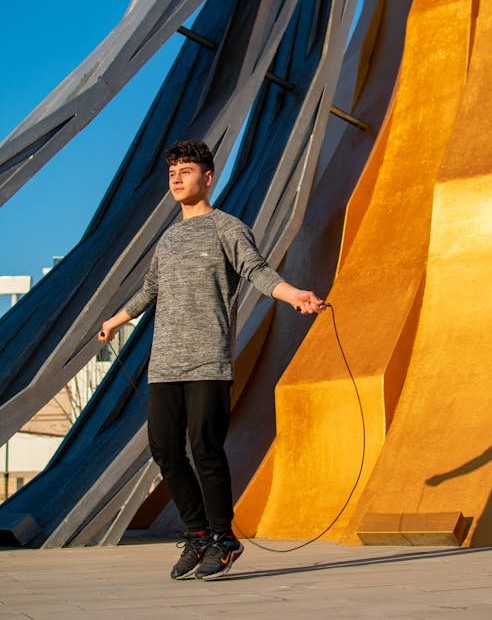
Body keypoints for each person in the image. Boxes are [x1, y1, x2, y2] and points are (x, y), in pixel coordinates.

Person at [98, 139, 326, 580]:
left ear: (207, 177)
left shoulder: (228, 229)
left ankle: (224, 538)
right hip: (164, 364)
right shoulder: (168, 239)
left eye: (185, 171)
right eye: (172, 173)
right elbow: (150, 290)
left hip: (208, 362)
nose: (177, 179)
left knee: (204, 448)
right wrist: (115, 319)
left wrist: (294, 294)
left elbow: (257, 271)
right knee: (165, 450)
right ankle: (198, 534)